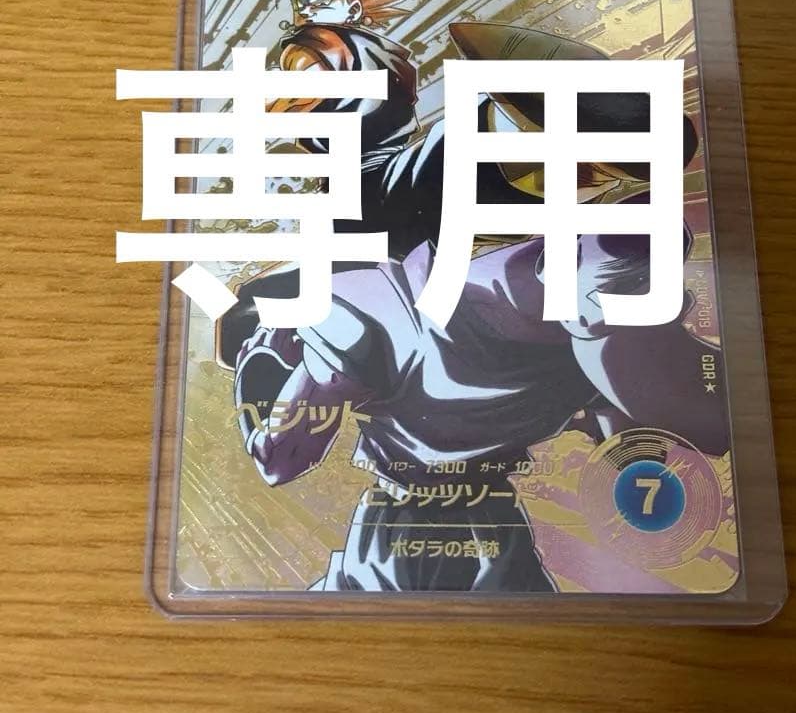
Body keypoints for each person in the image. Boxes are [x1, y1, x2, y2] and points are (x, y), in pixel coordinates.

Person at [233, 204, 725, 592]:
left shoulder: (596, 339)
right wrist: (262, 366)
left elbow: (632, 454)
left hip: (496, 531)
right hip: (399, 538)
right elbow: (280, 462)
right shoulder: (382, 314)